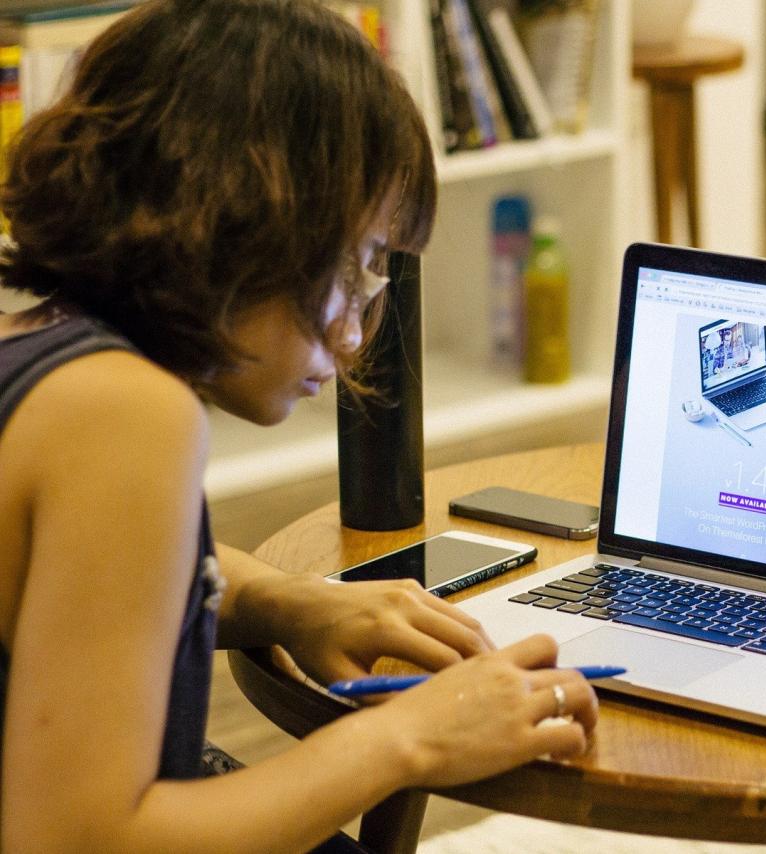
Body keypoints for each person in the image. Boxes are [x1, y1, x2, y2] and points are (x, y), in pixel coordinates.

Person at [0, 2, 596, 852]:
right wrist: (409, 737)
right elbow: (77, 838)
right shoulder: (128, 415)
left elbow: (94, 582)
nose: (356, 334)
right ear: (246, 219)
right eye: (355, 265)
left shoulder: (35, 345)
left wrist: (288, 603)